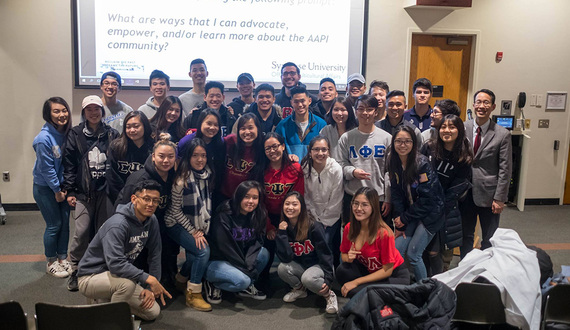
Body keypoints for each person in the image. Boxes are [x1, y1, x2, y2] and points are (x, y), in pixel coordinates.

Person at [77, 180, 172, 321]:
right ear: (134, 199)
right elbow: (116, 264)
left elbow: (155, 254)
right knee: (126, 285)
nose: (151, 204)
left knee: (152, 311)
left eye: (155, 201)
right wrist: (149, 278)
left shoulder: (151, 221)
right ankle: (112, 322)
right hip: (91, 276)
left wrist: (149, 288)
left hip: (118, 277)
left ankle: (106, 303)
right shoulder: (117, 225)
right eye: (146, 199)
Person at [62, 95, 120, 291]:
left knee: (104, 230)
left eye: (97, 109)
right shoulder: (75, 134)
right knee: (81, 231)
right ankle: (76, 268)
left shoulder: (112, 134)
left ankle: (98, 266)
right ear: (84, 112)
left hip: (106, 193)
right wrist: (69, 190)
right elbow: (69, 164)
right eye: (89, 109)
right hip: (83, 193)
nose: (94, 113)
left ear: (102, 112)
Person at [115, 134, 178, 289]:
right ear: (153, 157)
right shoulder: (139, 179)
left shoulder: (173, 177)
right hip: (137, 226)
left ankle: (165, 280)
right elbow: (124, 208)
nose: (166, 160)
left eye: (170, 157)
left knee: (168, 251)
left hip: (160, 224)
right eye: (161, 156)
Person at [387, 125, 444, 282]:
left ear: (414, 143)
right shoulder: (393, 160)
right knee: (396, 250)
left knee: (413, 254)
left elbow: (428, 199)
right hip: (411, 213)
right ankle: (401, 284)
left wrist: (404, 218)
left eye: (407, 141)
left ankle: (422, 289)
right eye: (398, 141)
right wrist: (399, 219)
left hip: (430, 215)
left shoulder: (422, 163)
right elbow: (397, 193)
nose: (402, 145)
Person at [460, 89, 512, 258]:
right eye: (479, 102)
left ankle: (486, 273)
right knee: (465, 236)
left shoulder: (502, 134)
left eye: (486, 102)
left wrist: (500, 198)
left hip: (490, 195)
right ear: (474, 105)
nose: (482, 106)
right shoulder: (462, 128)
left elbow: (505, 169)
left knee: (489, 239)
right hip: (465, 192)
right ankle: (464, 268)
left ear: (493, 106)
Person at [164, 138, 213, 311]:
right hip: (174, 223)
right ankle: (194, 293)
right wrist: (194, 232)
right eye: (195, 156)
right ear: (188, 157)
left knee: (193, 255)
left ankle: (180, 279)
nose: (200, 160)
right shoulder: (181, 180)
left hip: (195, 223)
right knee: (202, 251)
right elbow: (175, 212)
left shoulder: (206, 175)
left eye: (203, 155)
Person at [421, 114, 472, 275]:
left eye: (452, 127)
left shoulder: (464, 157)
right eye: (443, 127)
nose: (447, 130)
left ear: (459, 130)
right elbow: (418, 170)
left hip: (446, 209)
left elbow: (457, 188)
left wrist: (438, 206)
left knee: (439, 250)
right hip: (424, 204)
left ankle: (439, 279)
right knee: (422, 247)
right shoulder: (429, 147)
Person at [337, 187, 409, 298]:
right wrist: (349, 258)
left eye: (365, 205)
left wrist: (357, 282)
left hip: (393, 275)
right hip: (369, 270)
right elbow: (344, 255)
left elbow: (387, 270)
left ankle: (369, 291)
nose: (359, 208)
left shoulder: (384, 233)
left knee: (357, 293)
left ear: (373, 207)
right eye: (356, 204)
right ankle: (369, 290)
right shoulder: (349, 227)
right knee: (342, 271)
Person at [204, 181, 270, 304]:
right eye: (246, 196)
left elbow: (257, 242)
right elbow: (226, 247)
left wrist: (249, 264)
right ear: (238, 196)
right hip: (219, 260)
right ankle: (213, 283)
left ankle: (244, 285)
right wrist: (246, 269)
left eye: (255, 198)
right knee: (242, 281)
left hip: (239, 259)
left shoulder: (259, 214)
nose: (251, 201)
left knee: (263, 253)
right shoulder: (224, 214)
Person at [275, 192, 337, 314]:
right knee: (282, 268)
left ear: (301, 207)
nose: (290, 207)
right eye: (287, 204)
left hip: (318, 266)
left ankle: (329, 295)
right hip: (302, 266)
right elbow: (286, 257)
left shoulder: (314, 226)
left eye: (294, 204)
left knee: (308, 278)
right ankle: (300, 289)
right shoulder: (283, 228)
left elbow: (325, 253)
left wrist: (329, 278)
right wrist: (281, 234)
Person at [33, 97, 73, 278]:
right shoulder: (43, 139)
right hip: (46, 189)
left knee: (65, 224)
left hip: (62, 187)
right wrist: (57, 191)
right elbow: (47, 168)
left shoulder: (66, 133)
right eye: (56, 111)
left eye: (64, 110)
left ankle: (63, 258)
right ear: (48, 114)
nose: (61, 114)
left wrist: (65, 187)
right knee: (54, 224)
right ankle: (51, 261)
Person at [337, 95, 392, 224]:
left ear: (376, 112)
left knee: (377, 238)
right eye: (361, 109)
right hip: (353, 196)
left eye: (369, 109)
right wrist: (353, 171)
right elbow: (340, 163)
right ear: (355, 111)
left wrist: (388, 198)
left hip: (378, 197)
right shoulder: (346, 138)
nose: (365, 113)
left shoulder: (387, 138)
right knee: (352, 237)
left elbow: (390, 171)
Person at [261, 132, 304, 284]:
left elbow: (298, 198)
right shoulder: (261, 170)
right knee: (269, 248)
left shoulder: (295, 168)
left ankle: (296, 282)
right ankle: (263, 281)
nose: (272, 151)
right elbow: (260, 203)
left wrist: (285, 223)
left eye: (275, 146)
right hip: (267, 217)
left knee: (293, 250)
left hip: (290, 216)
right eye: (267, 148)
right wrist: (269, 227)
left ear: (283, 146)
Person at [301, 135, 344, 269]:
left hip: (331, 217)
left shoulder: (335, 169)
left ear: (329, 151)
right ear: (310, 151)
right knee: (311, 246)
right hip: (311, 217)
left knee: (325, 243)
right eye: (316, 149)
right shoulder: (305, 167)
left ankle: (327, 275)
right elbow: (306, 195)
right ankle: (313, 276)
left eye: (324, 150)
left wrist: (324, 221)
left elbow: (336, 198)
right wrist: (314, 218)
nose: (320, 153)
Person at [107, 111, 154, 204]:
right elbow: (112, 177)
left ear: (145, 126)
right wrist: (124, 198)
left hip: (146, 200)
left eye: (136, 126)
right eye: (128, 127)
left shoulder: (154, 148)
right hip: (119, 198)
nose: (132, 130)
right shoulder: (116, 147)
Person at [177, 109, 226, 199]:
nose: (212, 128)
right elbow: (178, 165)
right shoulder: (186, 142)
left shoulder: (221, 143)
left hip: (212, 187)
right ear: (200, 123)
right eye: (209, 123)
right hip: (189, 187)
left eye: (216, 125)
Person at [220, 113, 265, 200]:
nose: (247, 132)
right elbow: (213, 140)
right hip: (225, 195)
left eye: (251, 128)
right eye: (243, 128)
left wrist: (290, 157)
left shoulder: (263, 147)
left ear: (258, 129)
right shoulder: (230, 141)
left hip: (248, 199)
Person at [275, 86, 327, 161]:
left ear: (309, 101)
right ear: (291, 103)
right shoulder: (282, 126)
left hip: (315, 170)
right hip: (290, 170)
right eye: (296, 102)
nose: (300, 105)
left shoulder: (321, 124)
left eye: (302, 101)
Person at [319, 96, 358, 161]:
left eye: (343, 110)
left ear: (349, 111)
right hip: (331, 169)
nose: (339, 113)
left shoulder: (356, 131)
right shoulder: (325, 131)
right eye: (336, 110)